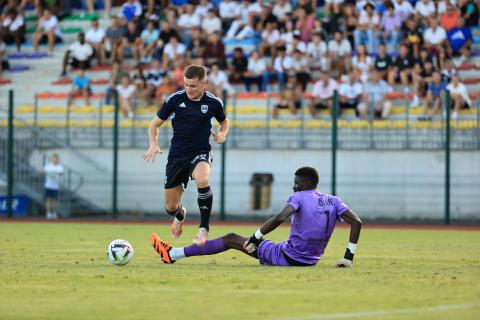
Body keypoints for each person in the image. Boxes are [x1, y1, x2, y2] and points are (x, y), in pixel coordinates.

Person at [150, 166, 362, 268]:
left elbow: (280, 218)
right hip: (311, 259)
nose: (294, 186)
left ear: (305, 184)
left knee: (231, 238)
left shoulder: (298, 197)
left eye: (296, 182)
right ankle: (174, 254)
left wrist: (255, 237)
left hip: (289, 257)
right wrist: (348, 257)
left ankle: (173, 254)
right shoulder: (334, 200)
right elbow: (357, 222)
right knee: (253, 241)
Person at [143, 64, 230, 246]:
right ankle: (180, 214)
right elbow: (154, 124)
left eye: (193, 86)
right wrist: (153, 144)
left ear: (204, 84)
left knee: (203, 178)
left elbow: (224, 121)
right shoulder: (175, 99)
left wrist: (222, 133)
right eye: (186, 85)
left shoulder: (214, 102)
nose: (189, 89)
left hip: (200, 152)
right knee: (170, 207)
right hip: (176, 156)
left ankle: (203, 228)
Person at [40, 154, 64, 220]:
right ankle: (48, 213)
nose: (55, 160)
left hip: (55, 186)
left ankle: (54, 213)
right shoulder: (48, 166)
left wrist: (57, 174)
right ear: (52, 159)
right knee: (48, 200)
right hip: (48, 185)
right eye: (54, 158)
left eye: (57, 158)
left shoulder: (60, 167)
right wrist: (41, 172)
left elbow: (62, 174)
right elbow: (42, 172)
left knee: (54, 200)